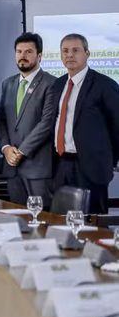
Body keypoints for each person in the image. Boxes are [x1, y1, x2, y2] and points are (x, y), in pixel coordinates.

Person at [51, 33, 119, 214]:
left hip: (92, 167)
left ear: (87, 53)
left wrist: (110, 161)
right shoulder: (58, 85)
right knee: (61, 221)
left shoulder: (104, 85)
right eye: (65, 51)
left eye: (75, 50)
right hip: (61, 164)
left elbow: (116, 127)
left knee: (93, 222)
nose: (69, 55)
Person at [0, 33, 57, 205]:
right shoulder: (8, 84)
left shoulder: (51, 83)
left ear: (39, 56)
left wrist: (21, 152)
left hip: (37, 168)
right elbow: (1, 120)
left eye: (28, 52)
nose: (23, 56)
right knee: (18, 217)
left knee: (41, 217)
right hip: (11, 167)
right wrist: (6, 149)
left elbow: (46, 123)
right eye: (19, 51)